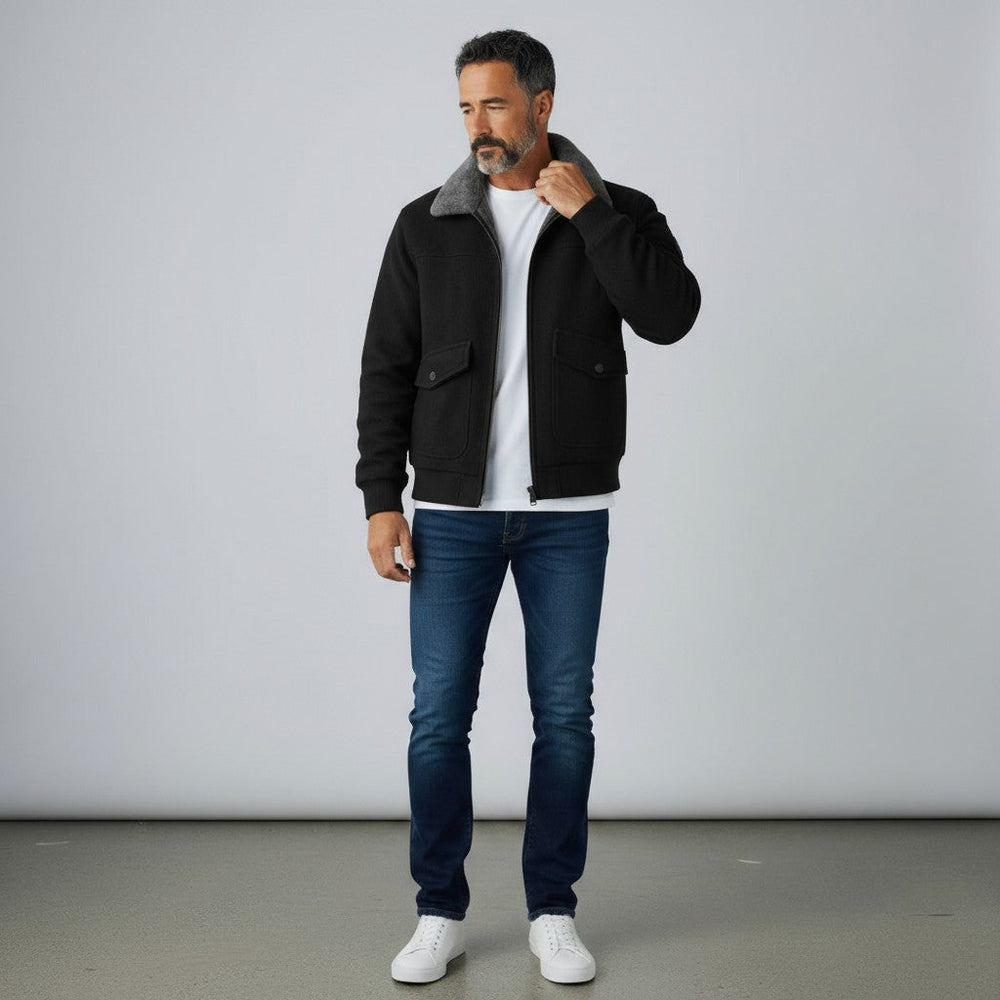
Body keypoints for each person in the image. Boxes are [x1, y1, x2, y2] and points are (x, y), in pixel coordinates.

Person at [356, 29, 700, 984]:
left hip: (568, 516)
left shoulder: (619, 210)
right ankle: (439, 910)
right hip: (454, 515)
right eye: (466, 106)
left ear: (542, 105)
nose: (478, 125)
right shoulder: (425, 224)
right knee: (438, 719)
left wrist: (590, 214)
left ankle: (553, 908)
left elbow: (671, 314)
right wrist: (382, 498)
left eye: (495, 104)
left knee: (564, 718)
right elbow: (385, 368)